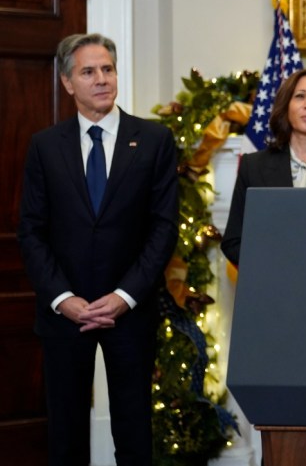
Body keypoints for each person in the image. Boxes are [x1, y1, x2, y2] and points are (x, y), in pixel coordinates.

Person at [17, 33, 178, 466]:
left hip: (131, 310)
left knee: (134, 433)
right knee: (65, 435)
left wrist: (124, 297)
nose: (102, 79)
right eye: (89, 71)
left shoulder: (154, 140)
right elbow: (31, 231)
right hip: (65, 315)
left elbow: (163, 229)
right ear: (68, 82)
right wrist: (63, 300)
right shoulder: (44, 146)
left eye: (108, 69)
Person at [222, 69, 306, 265]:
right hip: (273, 284)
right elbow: (233, 242)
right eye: (300, 96)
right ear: (286, 107)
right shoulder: (253, 166)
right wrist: (276, 265)